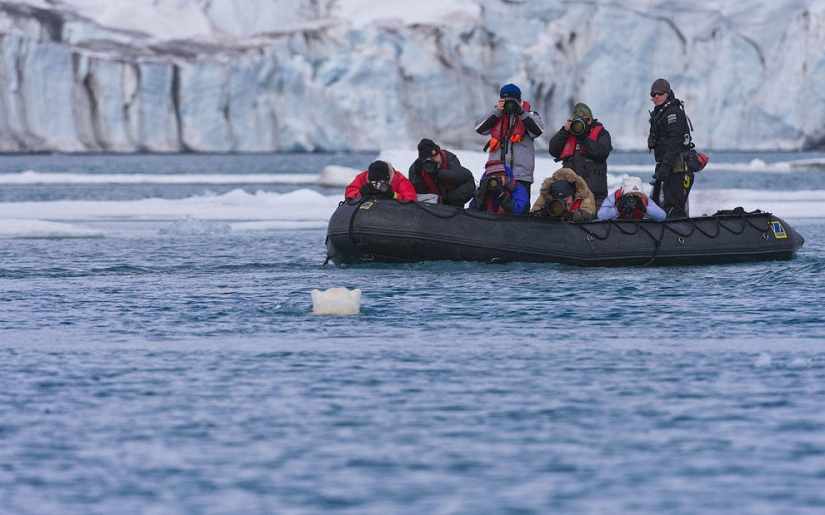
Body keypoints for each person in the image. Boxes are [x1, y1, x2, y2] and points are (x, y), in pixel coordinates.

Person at [475, 83, 545, 198]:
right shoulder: (496, 114)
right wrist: (497, 111)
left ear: (519, 100)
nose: (509, 104)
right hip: (496, 172)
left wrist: (521, 112)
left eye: (512, 101)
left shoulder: (529, 115)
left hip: (521, 176)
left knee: (520, 210)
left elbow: (538, 130)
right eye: (505, 100)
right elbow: (479, 128)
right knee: (493, 209)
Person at [547, 102, 613, 207]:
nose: (584, 123)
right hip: (570, 191)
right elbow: (553, 150)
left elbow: (601, 153)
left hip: (594, 191)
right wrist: (564, 131)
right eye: (580, 121)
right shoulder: (568, 133)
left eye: (587, 120)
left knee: (595, 217)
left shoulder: (602, 133)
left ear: (592, 119)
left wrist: (583, 138)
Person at [647, 78, 695, 218]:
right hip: (668, 170)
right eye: (653, 94)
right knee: (659, 206)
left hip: (677, 170)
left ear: (668, 93)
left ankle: (680, 237)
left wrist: (664, 168)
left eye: (660, 93)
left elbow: (675, 143)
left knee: (673, 210)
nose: (656, 96)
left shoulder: (672, 113)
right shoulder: (661, 113)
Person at [408, 138, 476, 206]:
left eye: (435, 156)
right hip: (440, 192)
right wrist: (417, 175)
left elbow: (458, 177)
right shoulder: (417, 168)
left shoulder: (450, 159)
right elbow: (419, 194)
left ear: (439, 153)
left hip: (465, 182)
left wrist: (437, 173)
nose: (434, 161)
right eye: (430, 160)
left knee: (453, 198)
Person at [529, 167, 596, 222]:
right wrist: (545, 212)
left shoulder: (583, 192)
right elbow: (533, 214)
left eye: (566, 200)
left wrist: (571, 216)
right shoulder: (547, 192)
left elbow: (589, 214)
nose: (564, 204)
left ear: (572, 194)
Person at [597, 174, 666, 222]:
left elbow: (662, 216)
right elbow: (601, 216)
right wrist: (617, 209)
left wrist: (645, 209)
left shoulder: (644, 199)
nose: (633, 200)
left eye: (637, 196)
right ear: (624, 194)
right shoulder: (615, 197)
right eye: (631, 195)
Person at [345, 160, 417, 202]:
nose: (376, 186)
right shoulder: (362, 177)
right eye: (373, 183)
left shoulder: (399, 179)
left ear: (387, 178)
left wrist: (393, 195)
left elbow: (412, 198)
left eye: (379, 183)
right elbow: (349, 193)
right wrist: (361, 193)